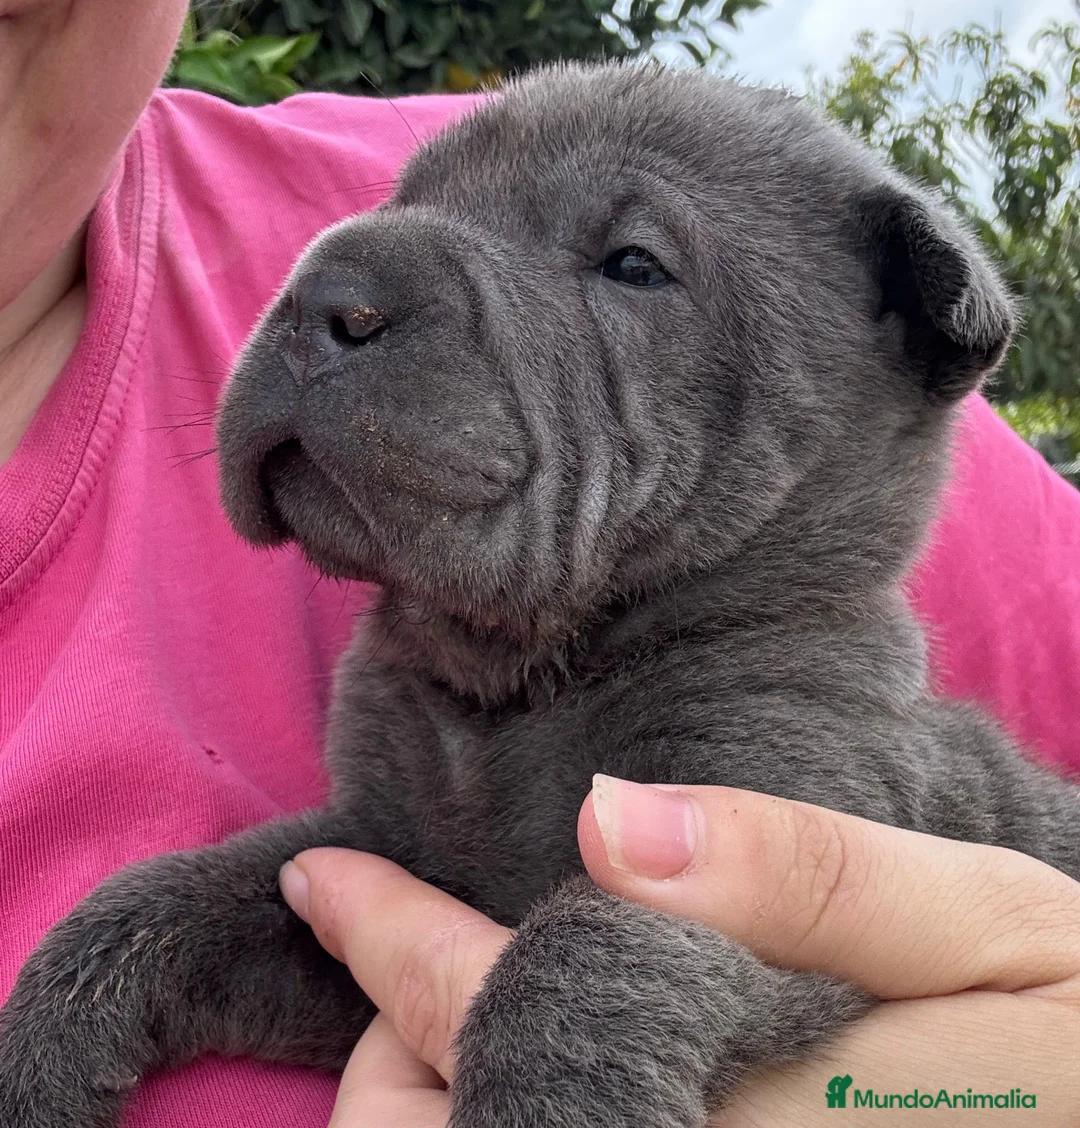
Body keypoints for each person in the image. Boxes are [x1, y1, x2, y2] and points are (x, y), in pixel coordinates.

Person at [0, 1, 1077, 1125]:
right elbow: (362, 913)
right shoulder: (427, 653)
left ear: (897, 340)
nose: (351, 292)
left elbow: (690, 955)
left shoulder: (786, 684)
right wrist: (121, 966)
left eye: (630, 267)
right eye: (417, 208)